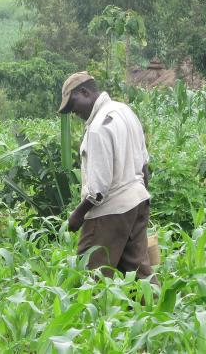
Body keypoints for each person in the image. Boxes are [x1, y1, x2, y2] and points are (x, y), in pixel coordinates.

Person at [58, 72, 157, 284]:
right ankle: (157, 313)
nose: (72, 111)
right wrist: (143, 202)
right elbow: (143, 164)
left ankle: (89, 316)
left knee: (90, 274)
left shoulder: (97, 128)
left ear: (84, 92)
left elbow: (99, 190)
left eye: (72, 103)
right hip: (138, 200)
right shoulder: (125, 111)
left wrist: (77, 215)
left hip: (111, 211)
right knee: (138, 272)